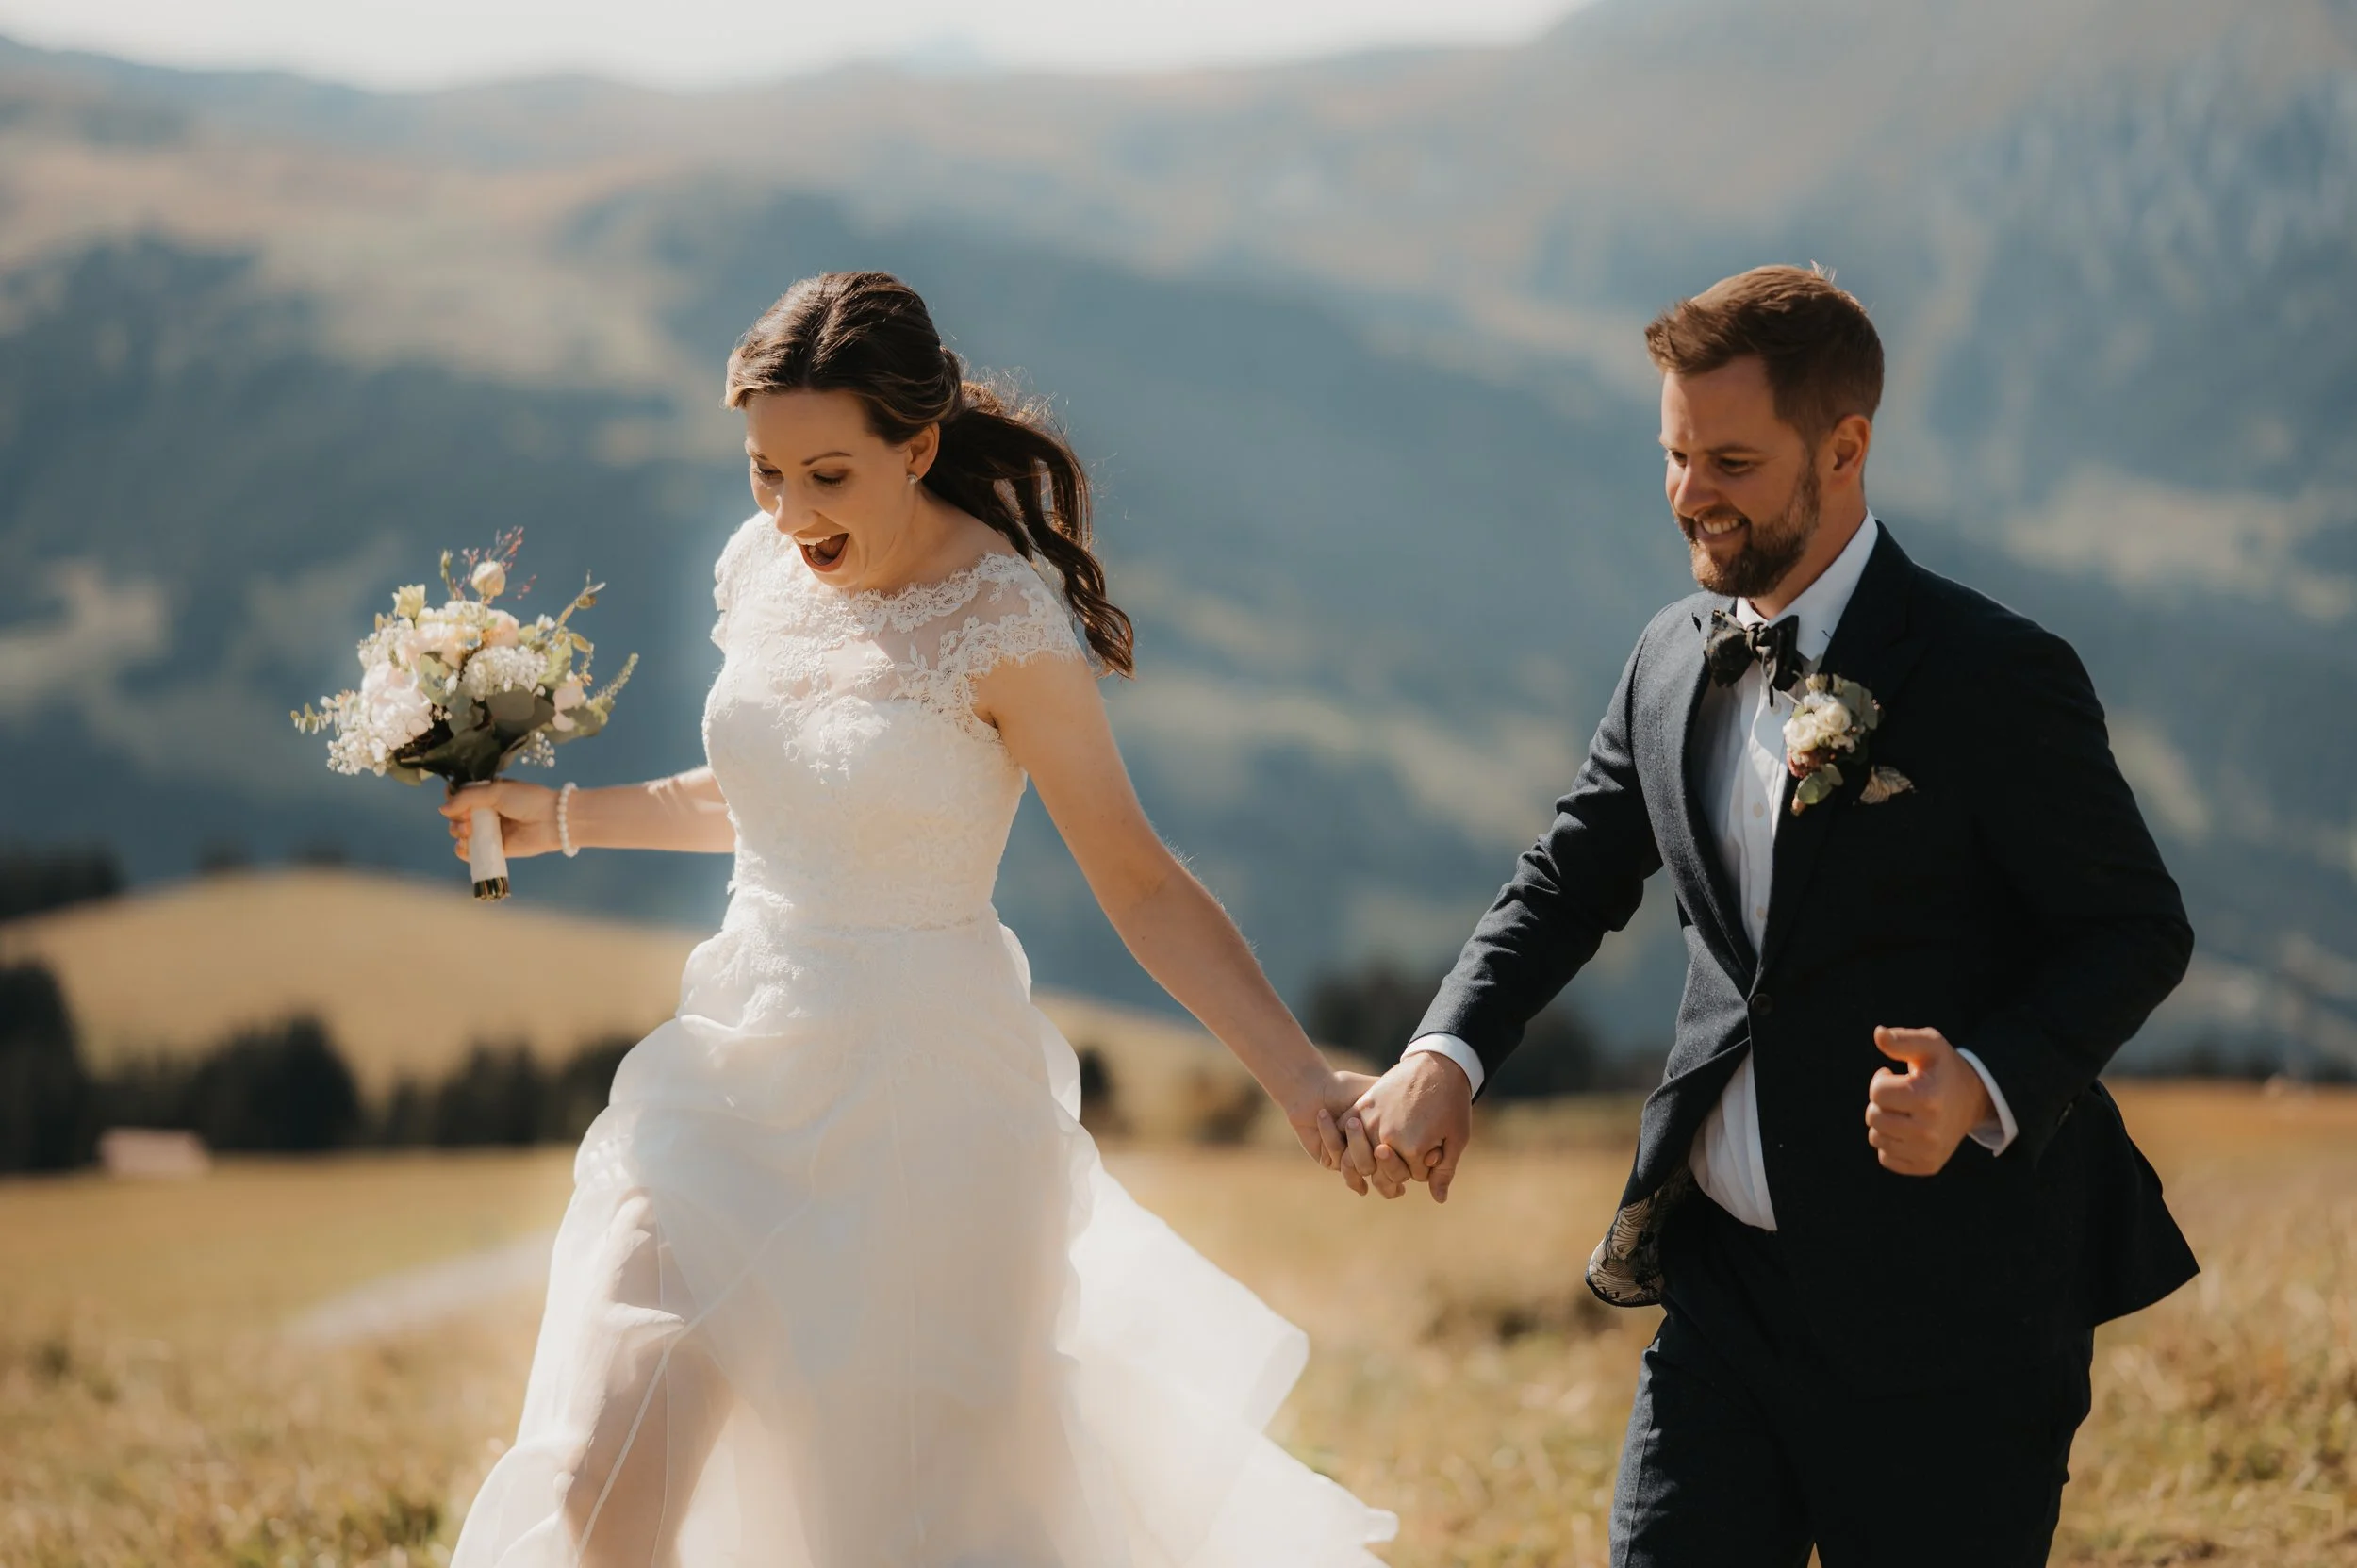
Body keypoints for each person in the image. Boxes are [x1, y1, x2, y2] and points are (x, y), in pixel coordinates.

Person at [438, 271, 1395, 1567]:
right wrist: (556, 819)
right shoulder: (759, 570)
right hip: (722, 1078)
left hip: (920, 1117)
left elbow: (1139, 877)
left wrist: (1299, 1079)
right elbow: (777, 790)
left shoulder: (1005, 624)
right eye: (764, 473)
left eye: (827, 474)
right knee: (601, 1500)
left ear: (919, 446)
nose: (790, 514)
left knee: (886, 1534)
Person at [1337, 265, 2199, 1567]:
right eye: (1675, 453)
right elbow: (1569, 876)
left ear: (1846, 449)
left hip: (1955, 1318)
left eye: (1731, 459)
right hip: (1727, 1296)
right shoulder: (1669, 657)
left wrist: (1982, 1082)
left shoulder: (1993, 673)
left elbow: (2135, 927)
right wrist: (1444, 1054)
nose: (1689, 493)